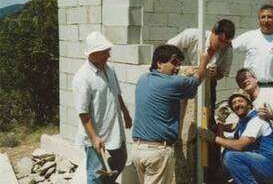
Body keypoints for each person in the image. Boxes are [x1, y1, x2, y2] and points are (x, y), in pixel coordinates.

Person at [131, 44, 212, 184]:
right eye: (173, 62)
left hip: (138, 150)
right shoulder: (173, 83)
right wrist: (204, 60)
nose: (177, 67)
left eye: (179, 64)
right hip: (157, 152)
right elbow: (197, 80)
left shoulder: (143, 79)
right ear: (159, 63)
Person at [72, 31, 132, 184]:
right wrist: (94, 137)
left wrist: (125, 113)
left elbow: (117, 93)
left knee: (120, 160)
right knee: (96, 174)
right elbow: (83, 112)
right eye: (105, 52)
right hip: (97, 134)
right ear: (94, 53)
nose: (108, 56)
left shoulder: (109, 69)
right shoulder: (83, 77)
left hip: (114, 129)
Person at [200, 91, 273, 184]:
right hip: (261, 165)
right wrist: (220, 125)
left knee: (231, 157)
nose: (237, 104)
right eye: (234, 103)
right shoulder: (243, 122)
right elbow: (229, 140)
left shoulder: (257, 119)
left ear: (249, 104)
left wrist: (213, 138)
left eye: (240, 101)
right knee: (228, 150)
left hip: (272, 167)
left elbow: (239, 145)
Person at [167, 19, 235, 108]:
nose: (222, 45)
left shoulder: (228, 50)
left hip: (207, 84)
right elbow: (167, 49)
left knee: (207, 114)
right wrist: (180, 67)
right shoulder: (193, 35)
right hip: (182, 77)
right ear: (213, 31)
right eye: (220, 40)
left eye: (226, 43)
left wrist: (215, 73)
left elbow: (222, 74)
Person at [232, 4, 273, 97]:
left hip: (270, 89)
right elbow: (230, 47)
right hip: (249, 88)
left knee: (268, 111)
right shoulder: (249, 36)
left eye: (269, 17)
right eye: (263, 17)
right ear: (259, 19)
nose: (266, 20)